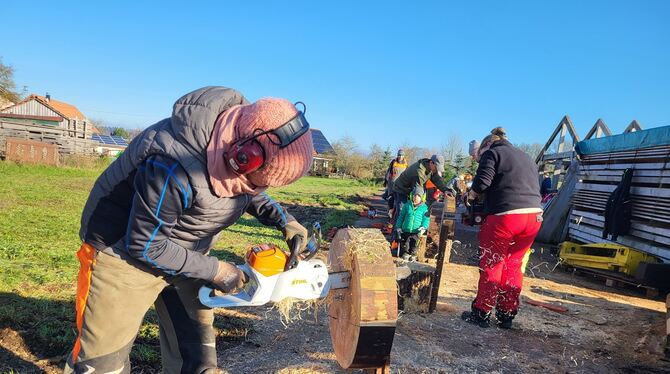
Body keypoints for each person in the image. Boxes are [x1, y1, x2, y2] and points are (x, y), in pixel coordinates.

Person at [64, 87, 315, 373]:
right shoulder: (172, 165)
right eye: (257, 178)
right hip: (121, 251)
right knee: (100, 363)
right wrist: (217, 271)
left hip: (186, 252)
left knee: (197, 356)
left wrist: (285, 221)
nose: (258, 187)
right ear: (243, 155)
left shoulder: (240, 152)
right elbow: (146, 245)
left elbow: (248, 189)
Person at [461, 127, 543, 329]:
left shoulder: (493, 152)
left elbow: (482, 183)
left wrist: (469, 197)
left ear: (487, 144)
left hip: (506, 216)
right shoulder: (525, 156)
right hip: (534, 216)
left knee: (492, 263)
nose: (481, 159)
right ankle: (506, 314)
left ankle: (482, 312)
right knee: (513, 265)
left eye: (479, 156)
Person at [391, 154, 455, 227]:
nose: (437, 170)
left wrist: (445, 190)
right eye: (436, 167)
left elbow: (437, 180)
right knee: (402, 212)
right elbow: (418, 185)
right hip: (400, 189)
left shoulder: (430, 168)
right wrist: (418, 196)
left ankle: (407, 231)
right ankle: (396, 234)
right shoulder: (419, 170)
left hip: (409, 189)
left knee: (411, 212)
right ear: (431, 163)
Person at [395, 187, 430, 261]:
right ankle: (406, 253)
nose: (416, 197)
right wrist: (398, 227)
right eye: (414, 195)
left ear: (422, 197)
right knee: (406, 243)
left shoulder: (424, 208)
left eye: (418, 196)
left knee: (414, 244)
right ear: (411, 196)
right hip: (406, 229)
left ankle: (413, 254)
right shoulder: (407, 205)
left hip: (416, 230)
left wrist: (424, 227)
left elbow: (426, 219)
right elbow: (401, 216)